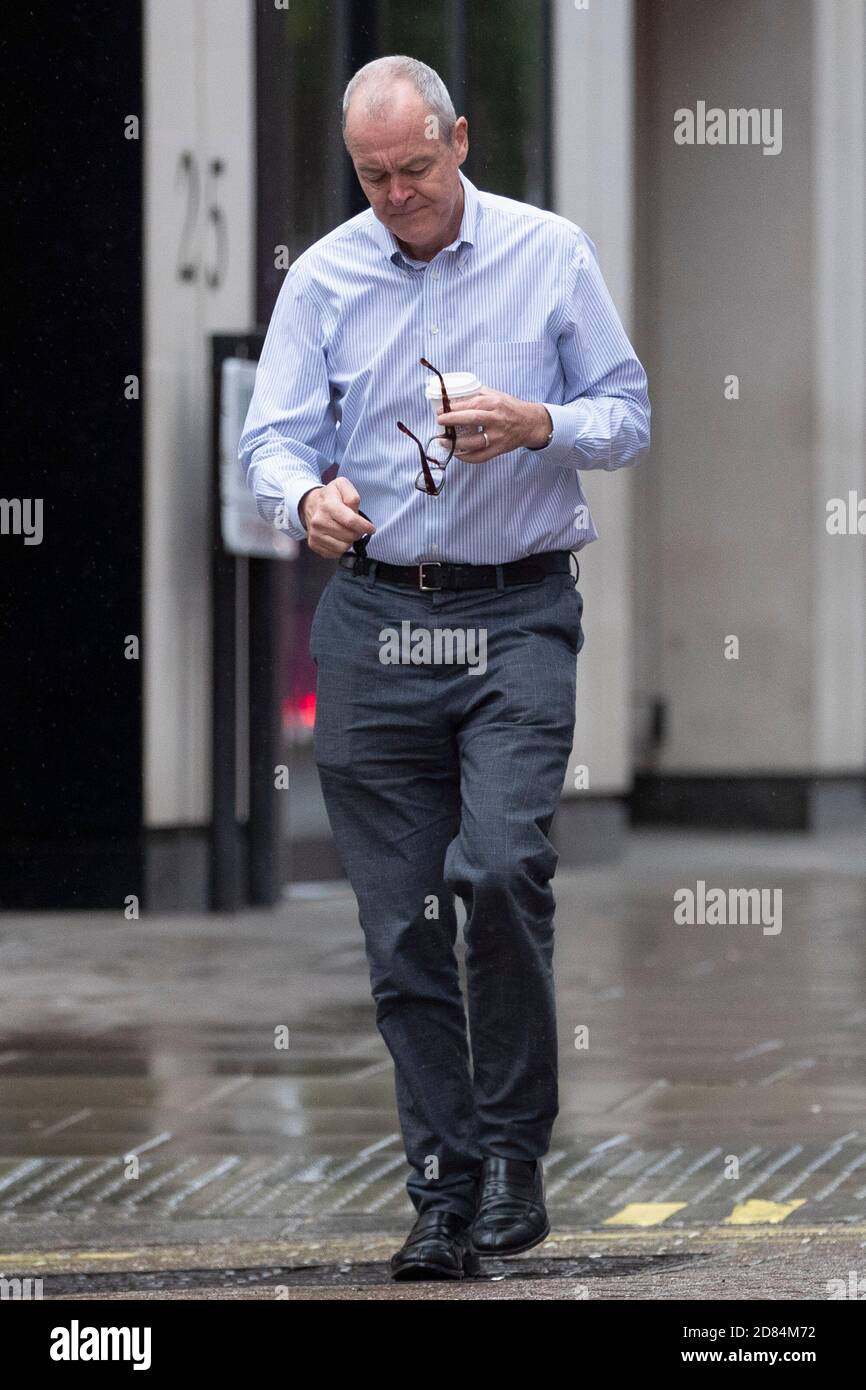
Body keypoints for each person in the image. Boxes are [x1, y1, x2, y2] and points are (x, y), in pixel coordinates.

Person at [240, 54, 650, 1281]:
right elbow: (270, 436)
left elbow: (625, 413)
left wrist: (536, 423)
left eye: (415, 168)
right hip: (372, 623)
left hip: (514, 614)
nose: (398, 195)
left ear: (459, 140)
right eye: (374, 178)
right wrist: (303, 495)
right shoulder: (323, 276)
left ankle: (516, 1145)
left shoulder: (549, 252)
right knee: (401, 926)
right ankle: (442, 1185)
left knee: (503, 861)